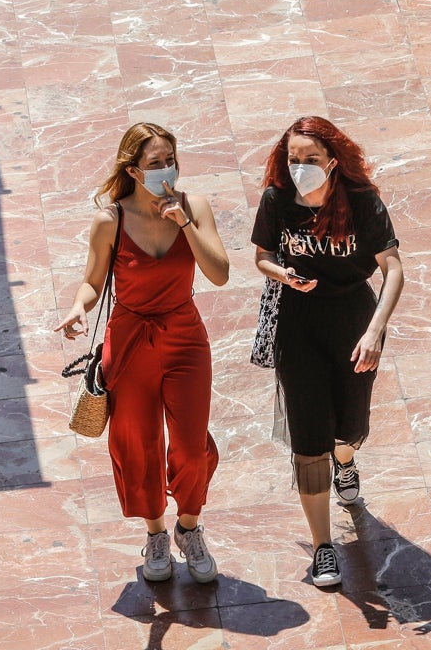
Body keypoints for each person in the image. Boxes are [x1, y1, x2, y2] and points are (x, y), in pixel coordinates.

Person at [55, 122, 230, 584]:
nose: (166, 169)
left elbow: (220, 273)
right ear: (133, 170)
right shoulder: (110, 220)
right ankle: (155, 533)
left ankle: (188, 528)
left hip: (184, 336)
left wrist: (185, 223)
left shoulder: (195, 206)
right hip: (130, 339)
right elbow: (92, 281)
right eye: (156, 163)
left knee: (191, 445)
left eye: (171, 160)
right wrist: (78, 307)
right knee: (137, 442)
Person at [251, 116, 404, 589]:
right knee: (309, 438)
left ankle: (346, 460)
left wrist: (375, 331)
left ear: (333, 161)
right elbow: (262, 257)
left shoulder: (362, 202)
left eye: (311, 158)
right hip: (297, 326)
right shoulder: (277, 199)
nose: (300, 167)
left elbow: (393, 269)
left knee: (349, 427)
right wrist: (284, 275)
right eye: (293, 158)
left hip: (354, 323)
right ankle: (323, 546)